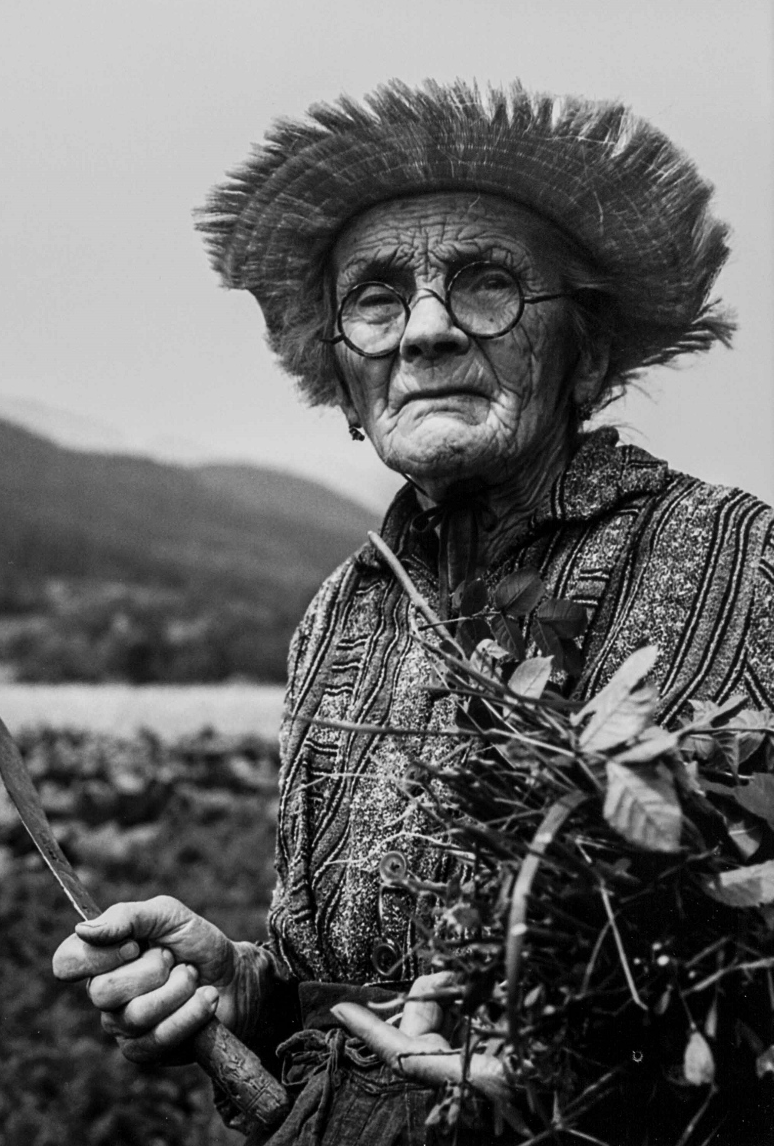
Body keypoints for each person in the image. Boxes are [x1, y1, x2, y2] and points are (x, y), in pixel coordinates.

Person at [52, 80, 774, 1143]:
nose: (426, 331)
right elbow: (323, 984)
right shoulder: (337, 618)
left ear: (581, 353)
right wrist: (239, 987)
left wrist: (560, 1066)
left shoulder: (742, 562)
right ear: (344, 384)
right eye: (377, 299)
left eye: (486, 286)